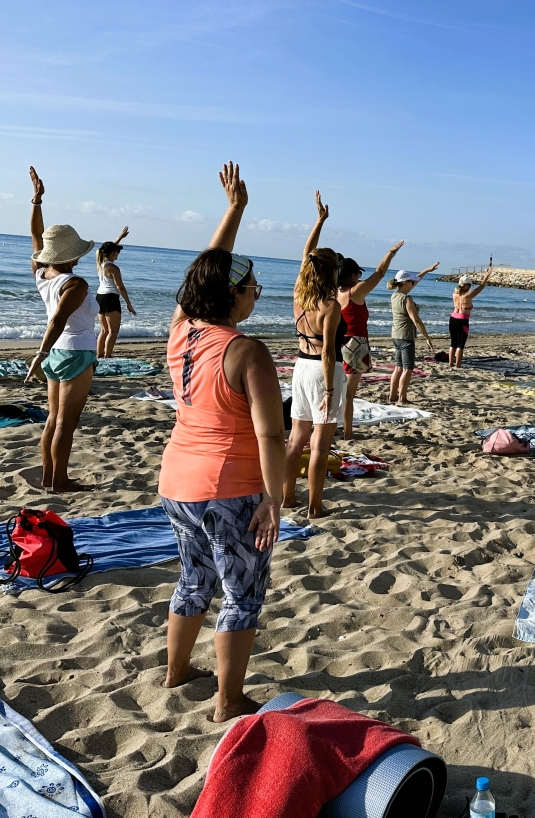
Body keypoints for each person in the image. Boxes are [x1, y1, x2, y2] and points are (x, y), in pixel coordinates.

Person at [159, 161, 286, 723]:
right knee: (242, 595)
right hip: (229, 490)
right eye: (252, 288)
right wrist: (274, 499)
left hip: (177, 482)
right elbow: (271, 435)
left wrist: (234, 211)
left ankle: (176, 670)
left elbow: (205, 271)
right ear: (233, 294)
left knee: (193, 580)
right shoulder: (246, 351)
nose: (255, 296)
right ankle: (228, 699)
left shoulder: (182, 329)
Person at [25, 166, 98, 492]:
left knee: (53, 421)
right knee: (65, 424)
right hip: (75, 353)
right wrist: (39, 354)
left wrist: (37, 201)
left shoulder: (42, 273)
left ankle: (49, 479)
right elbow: (56, 320)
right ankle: (60, 482)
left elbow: (36, 236)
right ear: (74, 255)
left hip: (57, 353)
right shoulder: (76, 283)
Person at [283, 191, 344, 519]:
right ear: (332, 272)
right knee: (320, 443)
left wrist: (319, 221)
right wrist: (331, 389)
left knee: (296, 438)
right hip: (322, 370)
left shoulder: (299, 295)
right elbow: (329, 352)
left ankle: (287, 498)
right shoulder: (330, 306)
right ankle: (314, 506)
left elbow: (307, 254)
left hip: (301, 367)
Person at [338, 240, 404, 440]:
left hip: (338, 341)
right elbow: (380, 273)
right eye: (358, 274)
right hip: (355, 344)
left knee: (336, 390)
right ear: (352, 276)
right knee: (348, 395)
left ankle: (333, 428)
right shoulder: (355, 291)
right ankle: (348, 433)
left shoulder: (334, 292)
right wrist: (391, 252)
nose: (360, 278)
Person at [388, 264, 439, 404]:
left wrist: (427, 270)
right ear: (405, 283)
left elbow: (415, 280)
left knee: (398, 367)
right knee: (407, 368)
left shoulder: (394, 296)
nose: (413, 284)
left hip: (396, 336)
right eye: (411, 282)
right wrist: (427, 337)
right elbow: (416, 320)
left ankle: (392, 396)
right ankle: (402, 398)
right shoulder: (407, 299)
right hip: (406, 337)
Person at [94, 228, 136, 358]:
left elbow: (106, 248)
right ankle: (107, 357)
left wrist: (120, 237)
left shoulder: (100, 263)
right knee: (113, 331)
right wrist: (128, 303)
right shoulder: (113, 268)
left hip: (99, 297)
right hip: (110, 298)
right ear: (112, 253)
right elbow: (120, 287)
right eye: (117, 252)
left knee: (104, 330)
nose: (118, 254)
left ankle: (99, 355)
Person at [449, 266, 493, 368]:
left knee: (453, 343)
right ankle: (458, 365)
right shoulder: (469, 294)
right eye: (469, 285)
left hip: (452, 319)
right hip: (462, 320)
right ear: (466, 285)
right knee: (460, 344)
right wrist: (486, 276)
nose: (470, 287)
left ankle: (450, 363)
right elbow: (481, 286)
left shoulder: (454, 294)